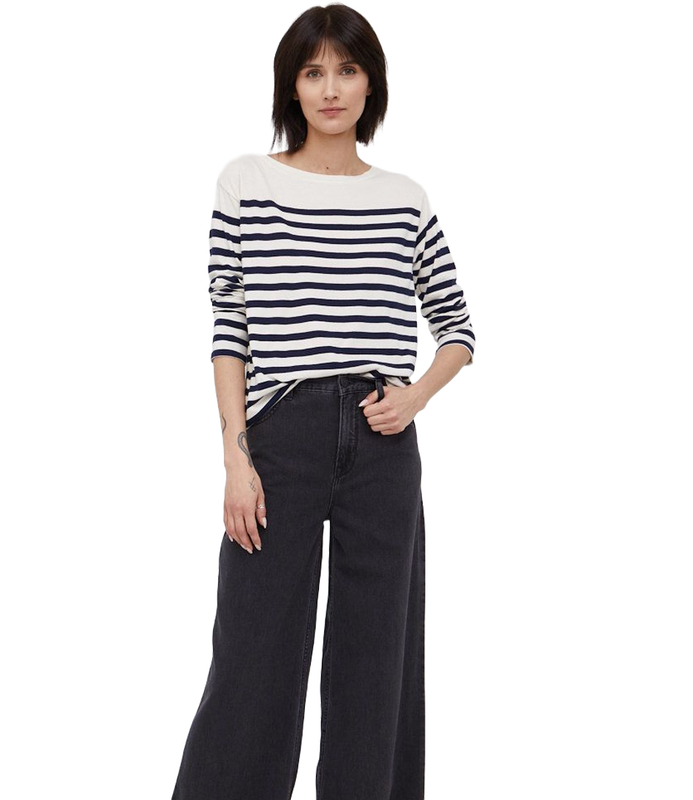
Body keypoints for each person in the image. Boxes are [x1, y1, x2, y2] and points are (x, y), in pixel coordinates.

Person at [171, 4, 475, 799]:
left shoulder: (405, 199)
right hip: (282, 432)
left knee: (377, 663)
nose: (331, 89)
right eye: (313, 72)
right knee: (253, 655)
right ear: (292, 87)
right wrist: (235, 459)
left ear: (371, 83)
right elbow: (230, 327)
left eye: (347, 70)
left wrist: (415, 397)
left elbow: (458, 327)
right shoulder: (248, 181)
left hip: (383, 440)